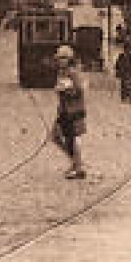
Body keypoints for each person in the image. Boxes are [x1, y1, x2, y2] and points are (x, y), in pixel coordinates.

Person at [50, 44, 88, 179]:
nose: (60, 61)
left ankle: (78, 167)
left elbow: (79, 90)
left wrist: (66, 90)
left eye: (63, 58)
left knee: (71, 138)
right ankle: (76, 163)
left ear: (69, 59)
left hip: (74, 110)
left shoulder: (73, 72)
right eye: (59, 59)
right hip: (64, 110)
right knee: (55, 136)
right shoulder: (62, 72)